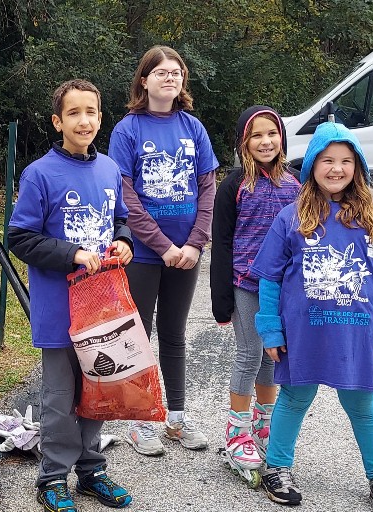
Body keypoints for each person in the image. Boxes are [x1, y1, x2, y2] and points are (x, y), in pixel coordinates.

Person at [250, 121, 373, 512]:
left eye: (345, 160)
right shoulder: (291, 217)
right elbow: (269, 280)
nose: (336, 168)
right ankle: (277, 467)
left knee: (363, 405)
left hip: (355, 333)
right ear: (312, 165)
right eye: (327, 160)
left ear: (357, 165)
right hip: (302, 333)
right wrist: (270, 330)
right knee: (294, 397)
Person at [9, 79, 135, 511]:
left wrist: (123, 242)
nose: (85, 120)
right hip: (59, 310)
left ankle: (92, 470)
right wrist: (73, 253)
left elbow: (120, 219)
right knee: (61, 399)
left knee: (97, 387)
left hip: (101, 308)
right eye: (75, 113)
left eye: (92, 112)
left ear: (101, 118)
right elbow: (20, 238)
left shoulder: (109, 170)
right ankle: (53, 477)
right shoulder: (40, 174)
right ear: (57, 121)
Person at [107, 45, 217, 456]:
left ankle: (176, 417)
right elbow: (125, 194)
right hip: (145, 253)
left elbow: (207, 186)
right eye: (161, 72)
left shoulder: (193, 128)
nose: (170, 78)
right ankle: (140, 421)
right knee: (139, 335)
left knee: (174, 335)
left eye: (176, 72)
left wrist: (194, 243)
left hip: (187, 254)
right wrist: (164, 245)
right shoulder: (128, 129)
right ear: (144, 80)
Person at [210, 105, 300, 475]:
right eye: (256, 135)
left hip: (283, 286)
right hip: (246, 284)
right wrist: (221, 299)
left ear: (282, 138)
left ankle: (265, 425)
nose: (265, 141)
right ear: (243, 141)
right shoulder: (233, 185)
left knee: (272, 354)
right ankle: (237, 431)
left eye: (272, 133)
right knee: (249, 353)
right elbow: (222, 242)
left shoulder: (295, 183)